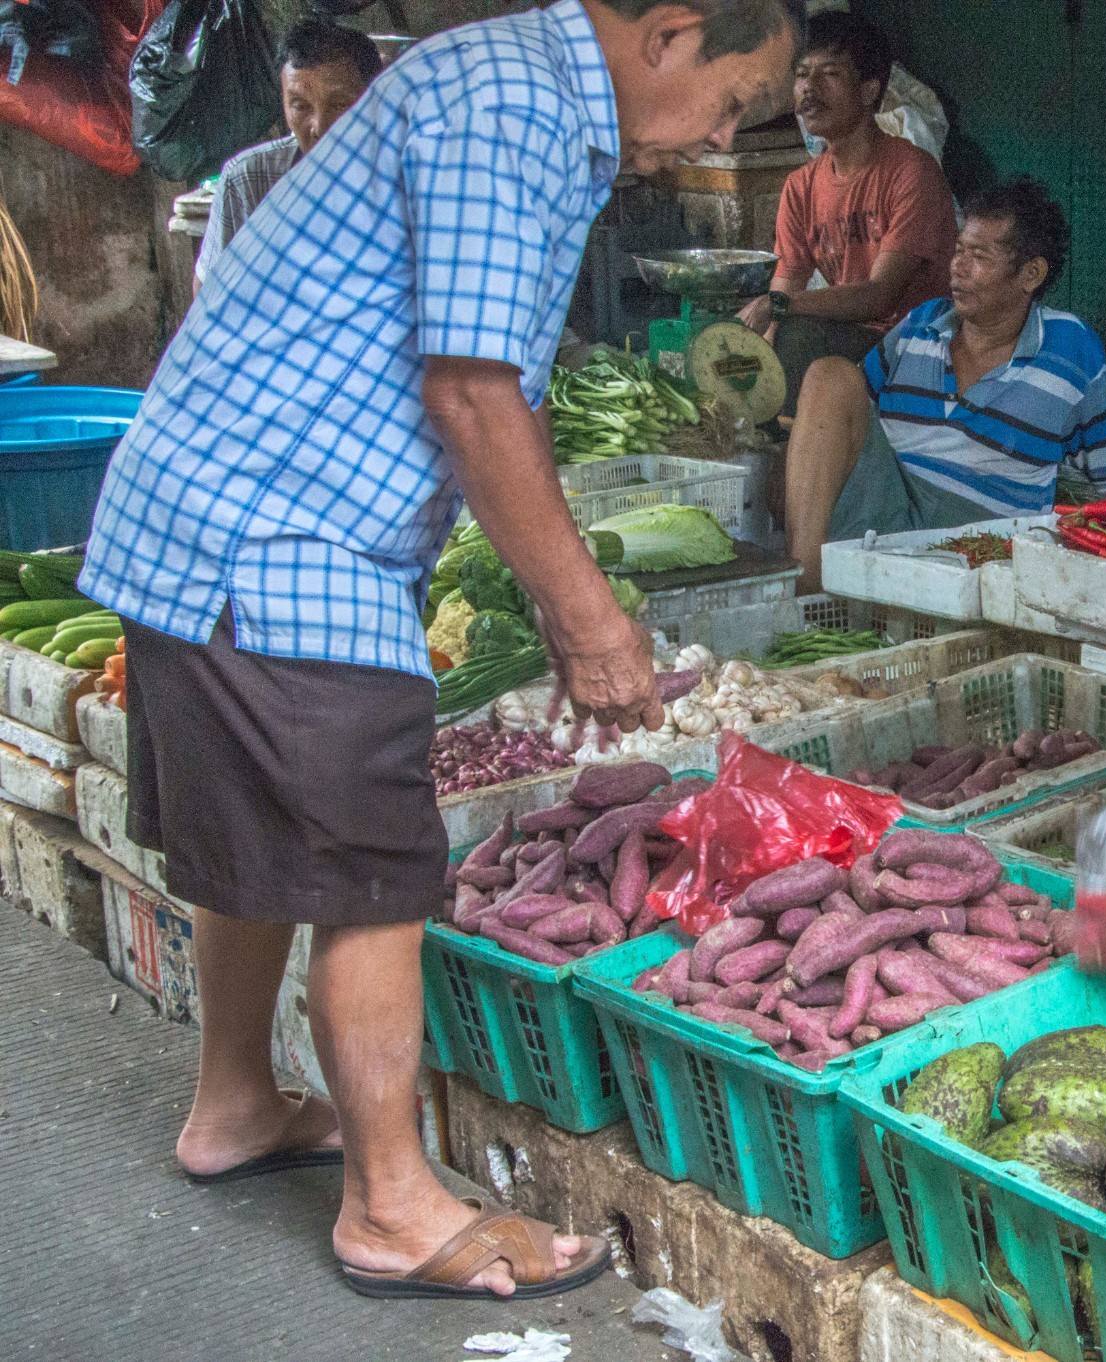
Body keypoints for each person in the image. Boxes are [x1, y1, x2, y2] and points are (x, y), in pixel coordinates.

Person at [80, 0, 801, 1302]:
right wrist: (587, 617)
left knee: (257, 822)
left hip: (211, 508)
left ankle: (235, 1099)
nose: (719, 135)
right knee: (374, 867)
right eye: (735, 101)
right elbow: (472, 387)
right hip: (281, 527)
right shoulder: (516, 106)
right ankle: (392, 1204)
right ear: (675, 32)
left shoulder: (504, 83)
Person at [784, 177, 1106, 593]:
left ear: (1031, 274)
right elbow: (837, 420)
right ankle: (803, 590)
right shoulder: (923, 323)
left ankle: (813, 591)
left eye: (979, 256)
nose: (958, 266)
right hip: (884, 525)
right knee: (828, 376)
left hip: (978, 555)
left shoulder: (1070, 350)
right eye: (958, 251)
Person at [735, 10, 955, 414]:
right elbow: (784, 291)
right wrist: (750, 365)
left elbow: (877, 298)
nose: (808, 89)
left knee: (797, 335)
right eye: (802, 74)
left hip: (916, 350)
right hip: (848, 340)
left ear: (870, 89)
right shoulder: (800, 186)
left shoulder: (912, 172)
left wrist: (779, 309)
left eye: (829, 73)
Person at [194, 20, 383, 287]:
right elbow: (209, 299)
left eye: (340, 104)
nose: (319, 126)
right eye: (300, 106)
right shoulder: (249, 180)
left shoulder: (407, 173)